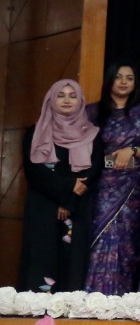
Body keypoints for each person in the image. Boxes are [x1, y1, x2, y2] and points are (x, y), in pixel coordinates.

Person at [20, 80, 104, 293]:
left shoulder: (92, 134)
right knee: (41, 262)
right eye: (61, 95)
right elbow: (34, 171)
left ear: (80, 101)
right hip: (43, 206)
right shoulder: (36, 132)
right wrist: (67, 188)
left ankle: (66, 311)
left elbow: (92, 171)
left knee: (71, 265)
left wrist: (69, 201)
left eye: (72, 96)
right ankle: (36, 311)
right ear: (51, 99)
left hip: (77, 207)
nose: (67, 100)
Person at [85, 62, 140, 295]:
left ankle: (121, 298)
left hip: (133, 191)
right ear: (109, 80)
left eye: (129, 78)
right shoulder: (92, 113)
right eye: (118, 77)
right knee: (99, 239)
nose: (124, 82)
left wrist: (134, 150)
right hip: (100, 187)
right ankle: (94, 297)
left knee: (126, 246)